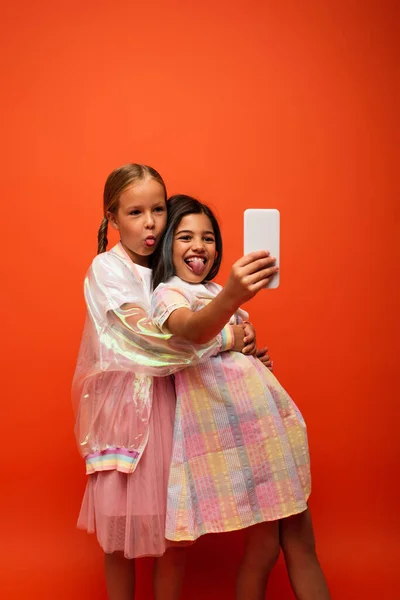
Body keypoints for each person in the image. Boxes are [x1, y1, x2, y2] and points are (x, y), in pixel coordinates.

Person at [72, 164, 277, 600]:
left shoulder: (175, 270)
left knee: (173, 536)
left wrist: (243, 346)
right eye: (134, 212)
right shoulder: (107, 270)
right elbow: (146, 342)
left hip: (179, 410)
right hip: (127, 415)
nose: (150, 223)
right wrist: (227, 337)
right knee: (120, 538)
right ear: (112, 217)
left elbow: (197, 321)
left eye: (159, 209)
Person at [151, 195, 331, 600]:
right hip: (232, 441)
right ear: (166, 247)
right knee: (283, 541)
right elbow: (192, 331)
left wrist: (251, 360)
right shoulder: (169, 294)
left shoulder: (217, 289)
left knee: (275, 545)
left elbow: (226, 352)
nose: (199, 245)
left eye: (208, 238)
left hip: (264, 424)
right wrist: (232, 300)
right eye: (184, 237)